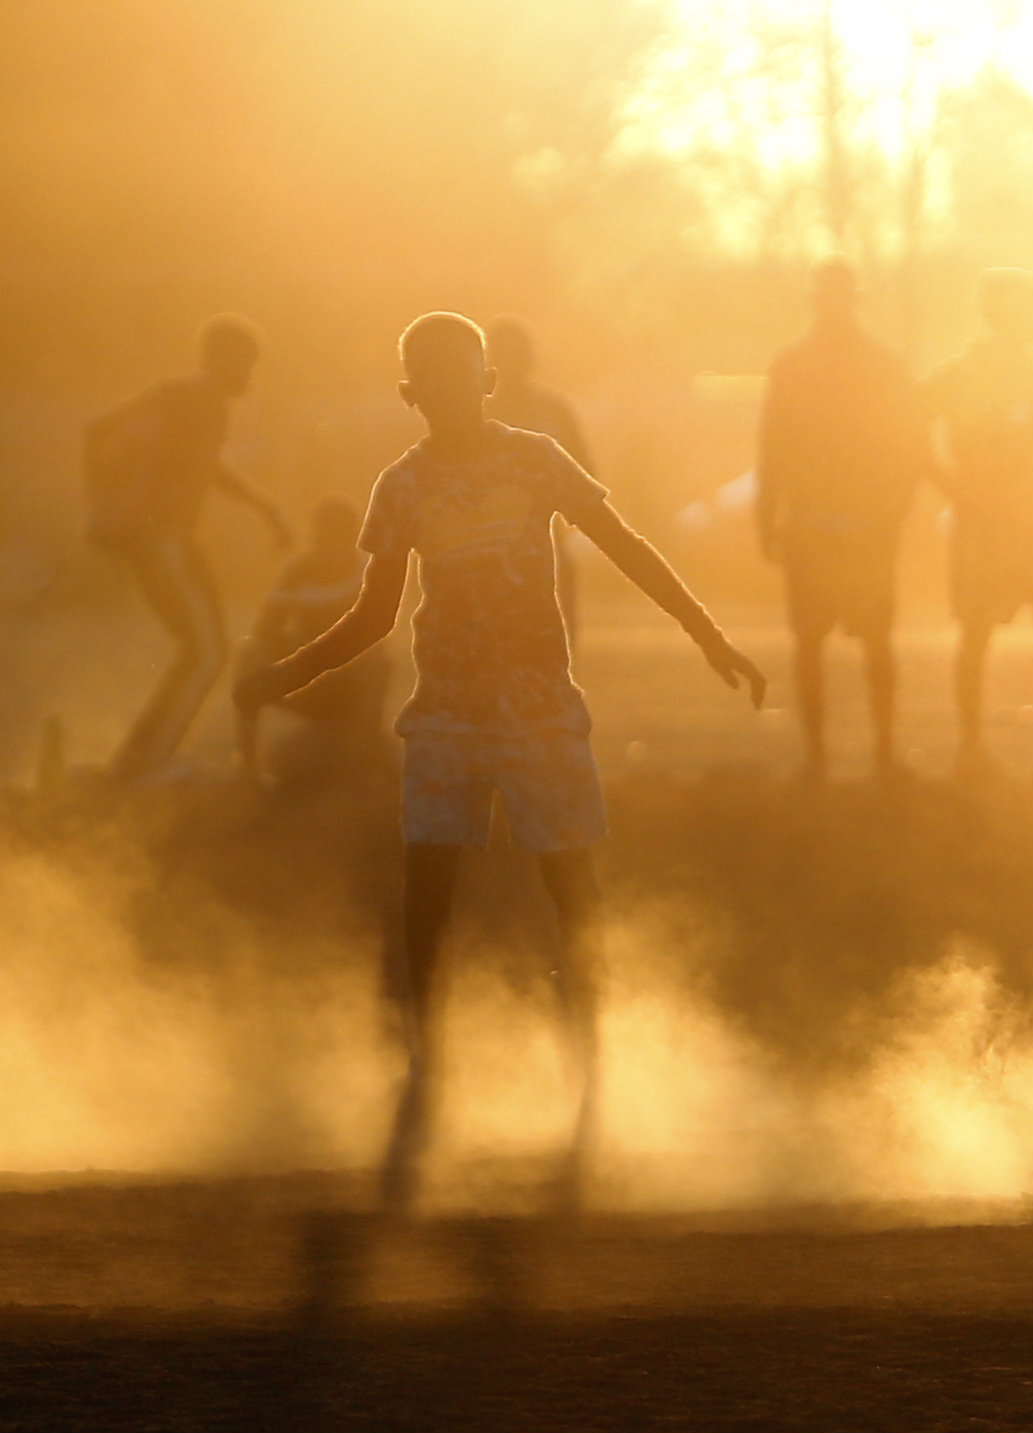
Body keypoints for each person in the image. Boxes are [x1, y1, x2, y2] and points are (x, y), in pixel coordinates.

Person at [234, 313, 766, 1210]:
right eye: (427, 375)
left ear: (485, 381)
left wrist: (707, 633)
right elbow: (373, 618)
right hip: (446, 715)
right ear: (411, 393)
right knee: (427, 890)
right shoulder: (401, 486)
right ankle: (425, 1057)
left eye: (461, 370)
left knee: (571, 890)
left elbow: (626, 547)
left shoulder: (537, 459)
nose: (445, 387)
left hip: (539, 713)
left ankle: (592, 1064)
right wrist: (283, 674)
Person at [86, 316, 291, 781]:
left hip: (161, 541)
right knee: (207, 652)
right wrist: (103, 510)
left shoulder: (184, 396)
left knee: (199, 649)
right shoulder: (198, 399)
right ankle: (145, 764)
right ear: (229, 359)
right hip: (165, 542)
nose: (250, 375)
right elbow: (100, 432)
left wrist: (265, 507)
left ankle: (137, 759)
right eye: (248, 363)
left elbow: (100, 432)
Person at [757, 258, 926, 779]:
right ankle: (821, 754)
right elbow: (774, 446)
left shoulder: (875, 364)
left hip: (858, 525)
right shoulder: (808, 365)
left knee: (870, 639)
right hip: (820, 525)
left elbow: (905, 444)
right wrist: (767, 514)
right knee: (816, 640)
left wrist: (897, 508)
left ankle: (880, 749)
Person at [928, 267, 1033, 771]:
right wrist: (954, 487)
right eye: (1030, 307)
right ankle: (971, 748)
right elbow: (905, 429)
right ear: (1006, 313)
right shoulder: (961, 373)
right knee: (977, 631)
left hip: (1029, 518)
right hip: (983, 522)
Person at [233, 495, 392, 787]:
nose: (329, 543)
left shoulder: (368, 571)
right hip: (309, 681)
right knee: (249, 653)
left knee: (374, 658)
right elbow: (264, 633)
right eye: (322, 534)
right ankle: (247, 766)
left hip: (350, 687)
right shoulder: (297, 571)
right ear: (313, 536)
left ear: (353, 536)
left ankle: (364, 751)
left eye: (338, 534)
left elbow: (375, 633)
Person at [486, 316, 593, 651]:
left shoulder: (553, 410)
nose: (514, 364)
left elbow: (583, 472)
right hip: (482, 540)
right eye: (506, 355)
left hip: (542, 536)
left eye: (519, 354)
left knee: (554, 638)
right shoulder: (475, 411)